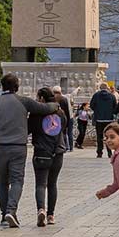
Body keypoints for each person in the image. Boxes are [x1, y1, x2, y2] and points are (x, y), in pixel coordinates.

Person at [0, 72, 60, 227]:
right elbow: (44, 108)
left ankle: (4, 215)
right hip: (18, 147)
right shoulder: (23, 101)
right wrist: (56, 105)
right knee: (17, 180)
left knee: (2, 181)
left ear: (2, 86)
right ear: (17, 87)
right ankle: (11, 209)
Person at [30, 86, 67, 227]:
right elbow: (63, 129)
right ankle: (51, 215)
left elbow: (29, 129)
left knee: (40, 184)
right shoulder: (60, 113)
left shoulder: (36, 114)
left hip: (41, 152)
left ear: (41, 98)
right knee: (52, 184)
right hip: (57, 152)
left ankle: (41, 210)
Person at [90, 82, 118, 157]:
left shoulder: (96, 95)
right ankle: (109, 152)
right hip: (109, 120)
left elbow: (92, 105)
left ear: (100, 88)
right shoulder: (112, 96)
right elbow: (115, 107)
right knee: (109, 136)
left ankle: (99, 152)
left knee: (99, 136)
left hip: (99, 119)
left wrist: (97, 111)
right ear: (107, 88)